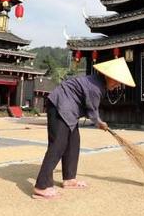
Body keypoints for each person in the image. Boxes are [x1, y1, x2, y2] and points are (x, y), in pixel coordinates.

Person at [32, 57, 136, 200]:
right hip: (60, 106)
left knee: (73, 142)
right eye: (117, 80)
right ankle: (42, 186)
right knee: (58, 144)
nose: (118, 85)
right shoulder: (96, 87)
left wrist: (98, 121)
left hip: (69, 110)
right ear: (108, 76)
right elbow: (93, 113)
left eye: (120, 82)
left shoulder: (98, 84)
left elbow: (90, 109)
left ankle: (69, 179)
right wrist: (100, 123)